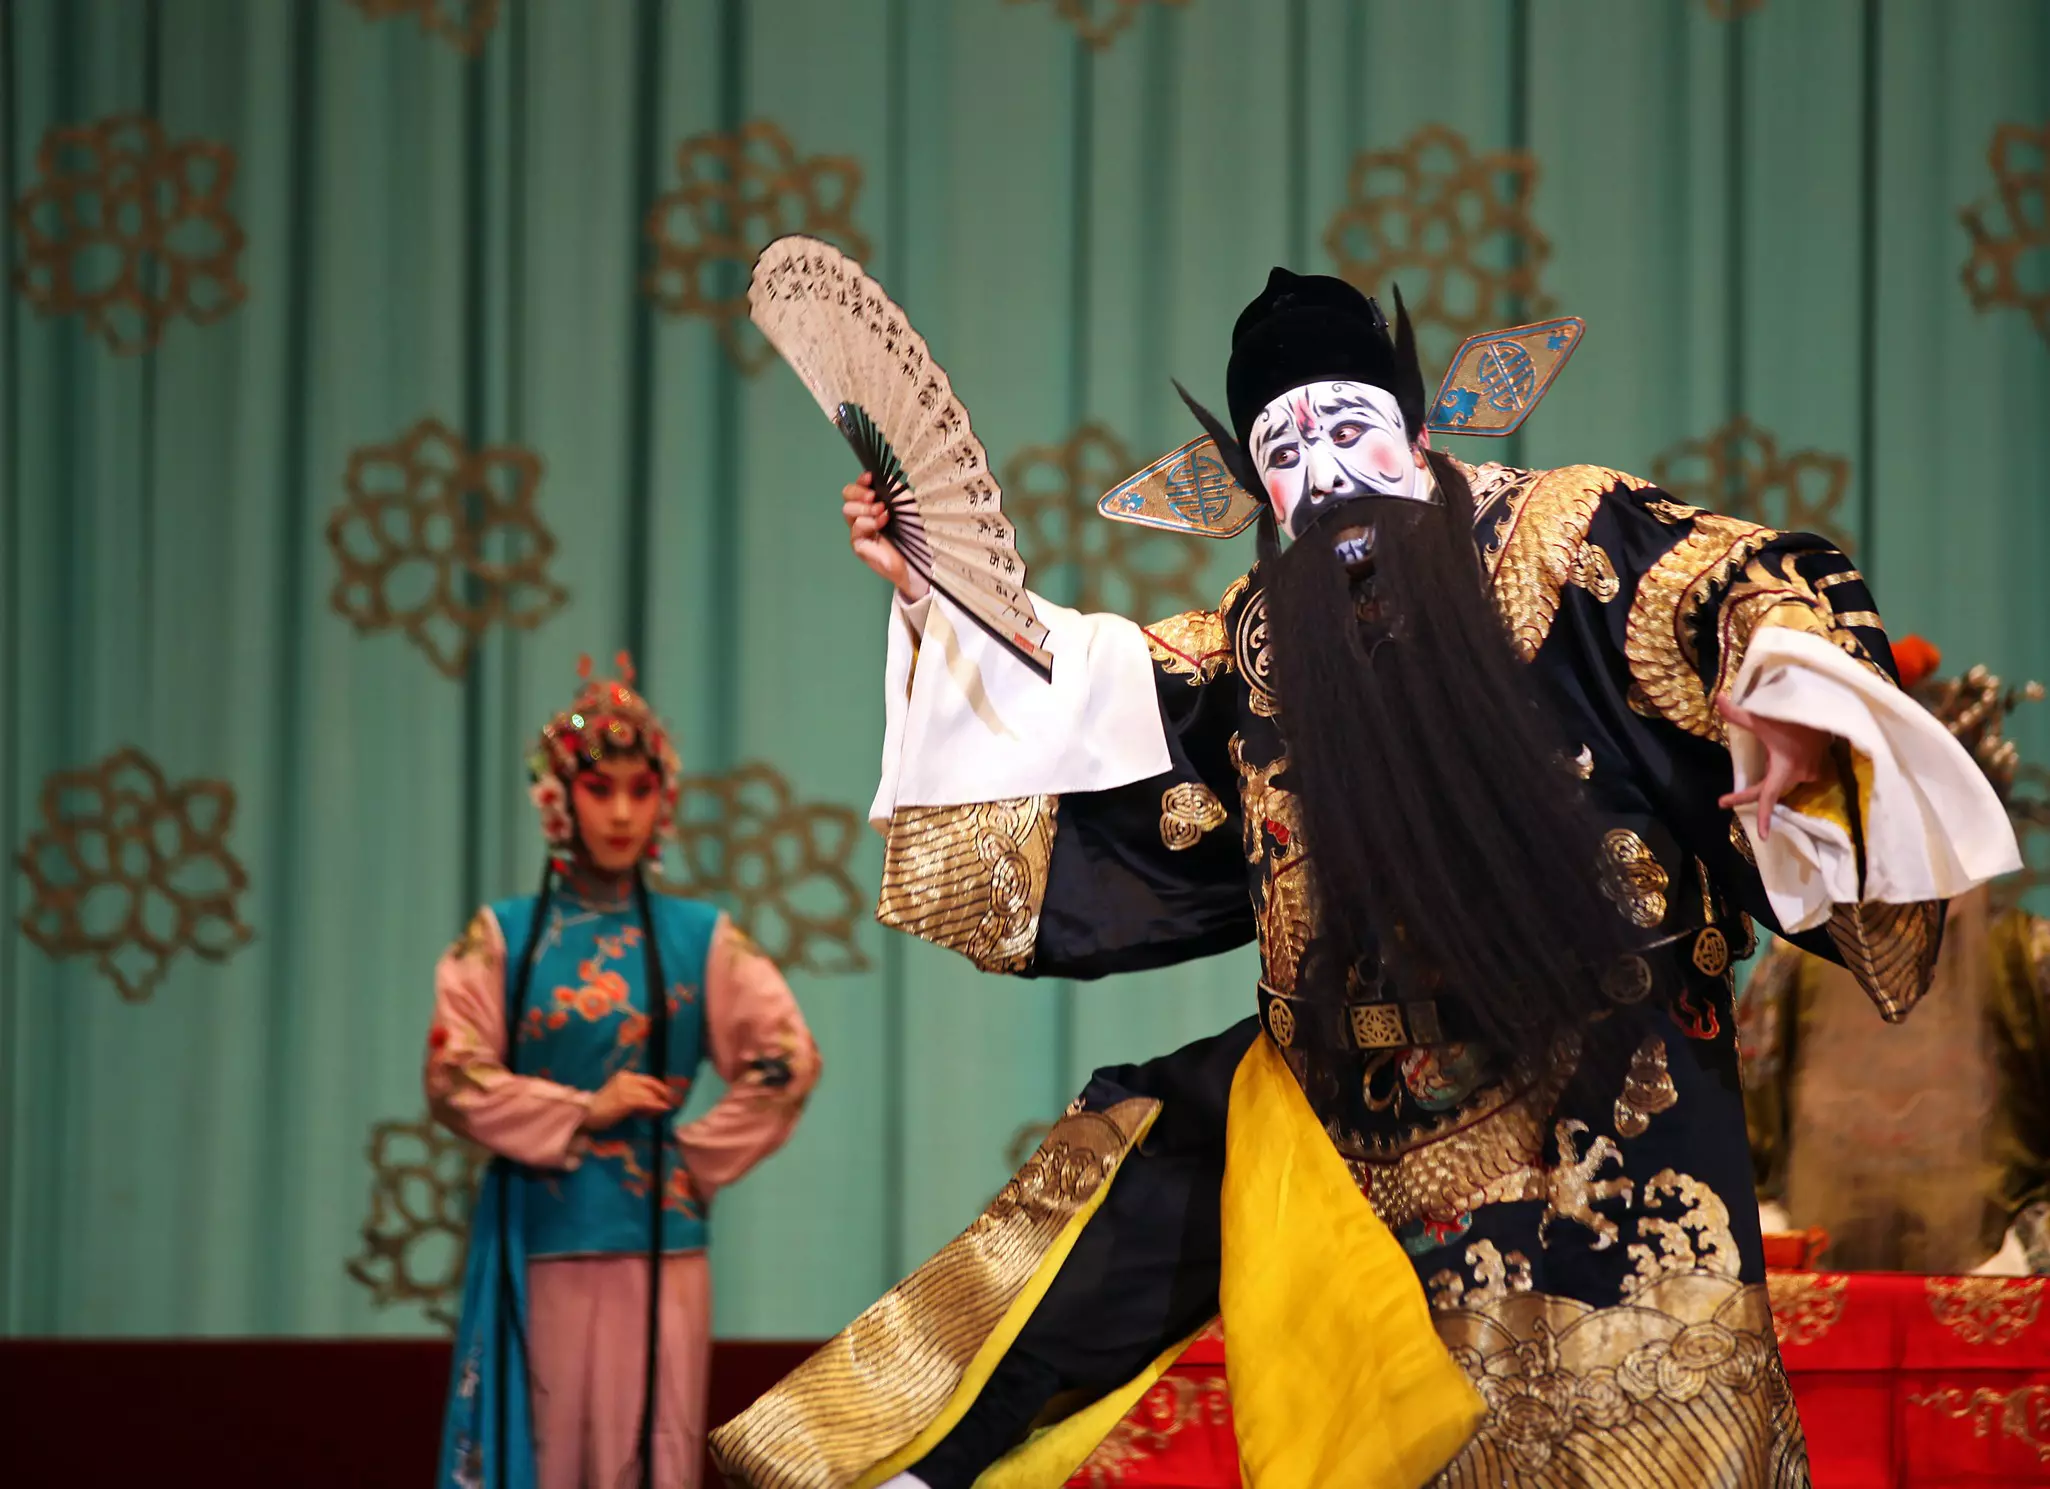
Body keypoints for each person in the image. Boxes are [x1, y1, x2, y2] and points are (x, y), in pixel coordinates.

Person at [711, 270, 2018, 1489]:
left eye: (1346, 427)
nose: (1324, 472)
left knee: (1628, 1434)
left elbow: (1731, 583)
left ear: (1417, 427)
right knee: (1125, 1159)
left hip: (1600, 1117)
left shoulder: (1565, 534)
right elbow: (1089, 695)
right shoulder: (1269, 638)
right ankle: (909, 1452)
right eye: (1280, 453)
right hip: (1358, 1125)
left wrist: (1790, 703)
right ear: (1254, 493)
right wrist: (939, 593)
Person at [429, 654, 820, 1489]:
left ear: (662, 800)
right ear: (556, 798)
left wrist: (693, 1163)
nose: (618, 812)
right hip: (542, 1233)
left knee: (654, 1452)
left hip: (660, 1242)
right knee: (545, 1447)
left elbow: (788, 1058)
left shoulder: (700, 936)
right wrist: (582, 1109)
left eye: (639, 790)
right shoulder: (501, 935)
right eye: (598, 788)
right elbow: (452, 1074)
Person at [1742, 637, 2049, 1275]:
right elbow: (1746, 1136)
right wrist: (1767, 1225)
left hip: (2000, 1309)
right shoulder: (1799, 959)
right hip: (1830, 1308)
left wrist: (2025, 1253)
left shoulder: (2030, 958)